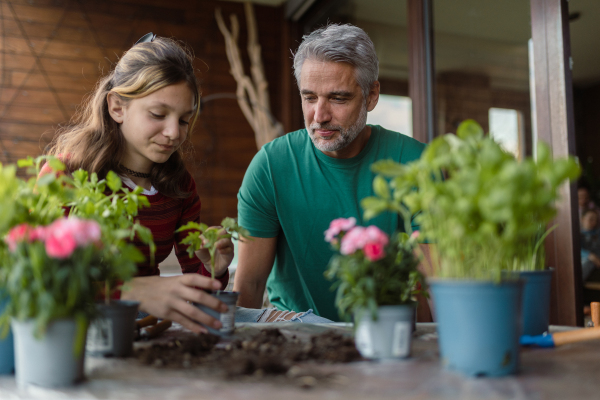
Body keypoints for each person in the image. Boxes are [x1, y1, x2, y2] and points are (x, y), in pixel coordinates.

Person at [43, 34, 327, 331]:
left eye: (183, 120)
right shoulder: (66, 174)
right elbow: (43, 283)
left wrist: (213, 267)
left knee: (306, 325)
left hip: (143, 325)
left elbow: (201, 293)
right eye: (158, 114)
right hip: (73, 326)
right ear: (117, 107)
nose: (173, 133)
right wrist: (133, 291)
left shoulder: (178, 187)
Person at [234, 24, 427, 321]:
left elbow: (431, 287)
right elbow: (249, 287)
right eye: (309, 97)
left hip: (387, 336)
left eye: (338, 98)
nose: (319, 116)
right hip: (294, 338)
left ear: (372, 95)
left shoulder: (415, 164)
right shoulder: (271, 166)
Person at [581, 209, 600, 281]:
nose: (594, 222)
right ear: (582, 219)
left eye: (596, 220)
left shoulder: (598, 233)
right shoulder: (578, 234)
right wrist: (590, 256)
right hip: (587, 260)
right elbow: (576, 249)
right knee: (586, 262)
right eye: (591, 219)